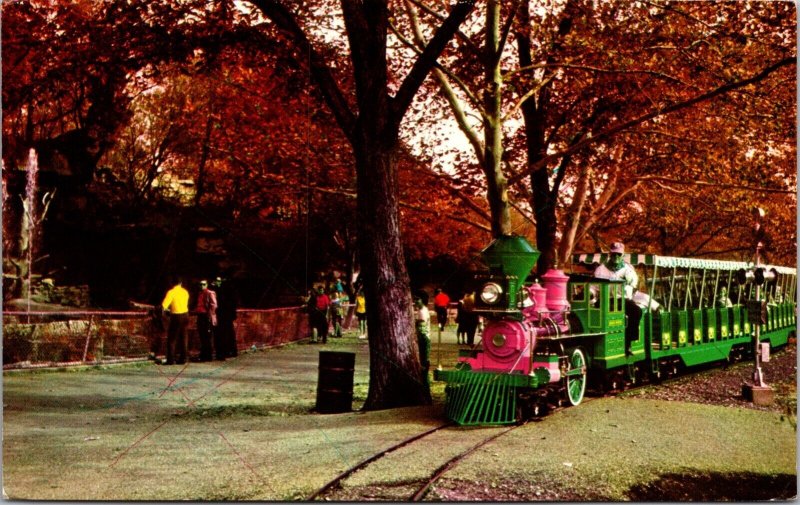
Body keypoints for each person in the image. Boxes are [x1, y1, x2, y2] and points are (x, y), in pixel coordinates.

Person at [593, 242, 641, 354]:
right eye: (614, 254)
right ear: (610, 254)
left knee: (637, 312)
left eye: (619, 254)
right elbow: (594, 288)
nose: (616, 257)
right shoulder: (601, 269)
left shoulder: (628, 269)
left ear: (623, 255)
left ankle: (628, 342)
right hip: (605, 300)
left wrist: (627, 283)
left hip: (621, 300)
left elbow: (634, 283)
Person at [161, 277, 190, 365]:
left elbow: (164, 306)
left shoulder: (171, 292)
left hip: (176, 316)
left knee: (172, 338)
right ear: (181, 283)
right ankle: (183, 359)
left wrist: (166, 312)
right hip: (185, 315)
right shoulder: (185, 292)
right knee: (184, 337)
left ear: (171, 283)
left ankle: (170, 359)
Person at [213, 276, 239, 359]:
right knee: (230, 332)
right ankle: (232, 350)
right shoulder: (232, 290)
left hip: (222, 314)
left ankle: (223, 352)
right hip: (229, 315)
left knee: (222, 334)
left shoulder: (221, 291)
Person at [195, 279, 217, 361]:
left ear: (207, 285)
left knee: (207, 336)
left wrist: (210, 314)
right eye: (200, 284)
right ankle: (204, 355)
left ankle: (208, 355)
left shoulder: (210, 293)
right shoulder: (200, 293)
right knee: (202, 336)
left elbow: (214, 305)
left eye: (203, 284)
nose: (202, 286)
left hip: (206, 316)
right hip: (201, 315)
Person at [414, 292, 431, 387]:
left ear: (422, 300)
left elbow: (422, 326)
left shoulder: (423, 312)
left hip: (424, 338)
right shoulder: (421, 310)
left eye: (417, 299)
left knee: (424, 362)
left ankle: (425, 383)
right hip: (422, 338)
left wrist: (416, 322)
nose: (415, 301)